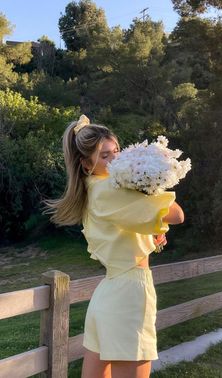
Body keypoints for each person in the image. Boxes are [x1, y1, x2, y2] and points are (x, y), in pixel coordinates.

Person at [44, 115, 184, 378]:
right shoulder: (110, 189)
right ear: (86, 163)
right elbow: (177, 214)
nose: (115, 161)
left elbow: (122, 228)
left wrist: (149, 234)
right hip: (130, 295)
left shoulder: (93, 189)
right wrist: (150, 184)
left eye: (117, 152)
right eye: (105, 156)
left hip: (109, 292)